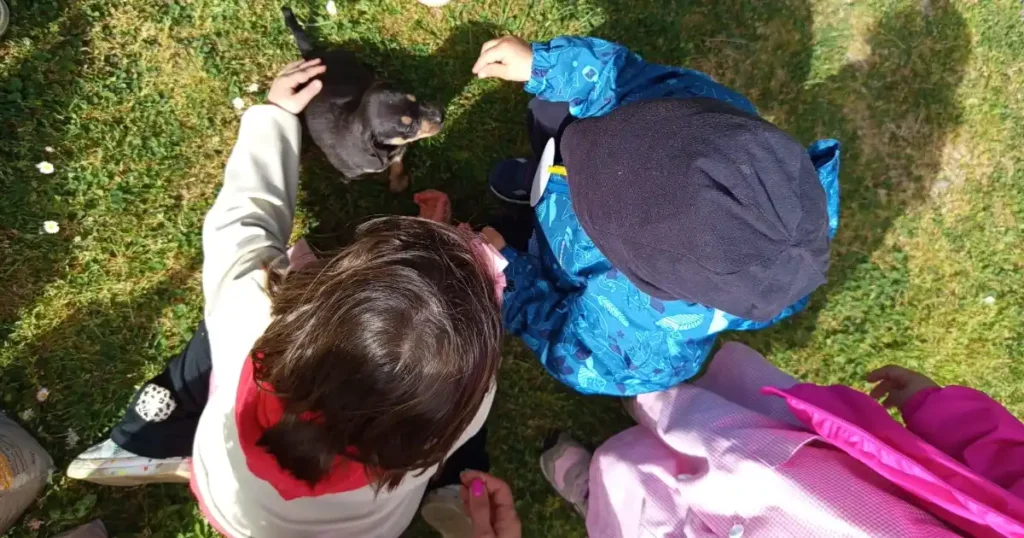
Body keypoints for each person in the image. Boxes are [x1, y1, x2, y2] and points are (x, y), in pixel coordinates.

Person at [68, 59, 509, 538]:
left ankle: (142, 443)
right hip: (306, 522)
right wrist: (479, 261)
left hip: (229, 494)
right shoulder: (467, 402)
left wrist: (276, 117)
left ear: (320, 287)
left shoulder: (254, 311)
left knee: (208, 348)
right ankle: (449, 497)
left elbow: (245, 220)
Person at [471, 35, 841, 396]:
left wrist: (513, 278)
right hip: (572, 213)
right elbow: (624, 78)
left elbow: (568, 347)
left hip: (559, 253)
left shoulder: (642, 341)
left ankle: (542, 197)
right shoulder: (704, 109)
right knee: (551, 111)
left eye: (594, 186)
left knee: (536, 212)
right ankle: (547, 178)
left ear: (642, 273)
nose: (593, 147)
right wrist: (544, 67)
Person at [540, 342, 1024, 537]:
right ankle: (651, 391)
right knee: (727, 441)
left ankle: (609, 495)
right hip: (841, 493)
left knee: (641, 500)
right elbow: (1011, 464)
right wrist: (934, 407)